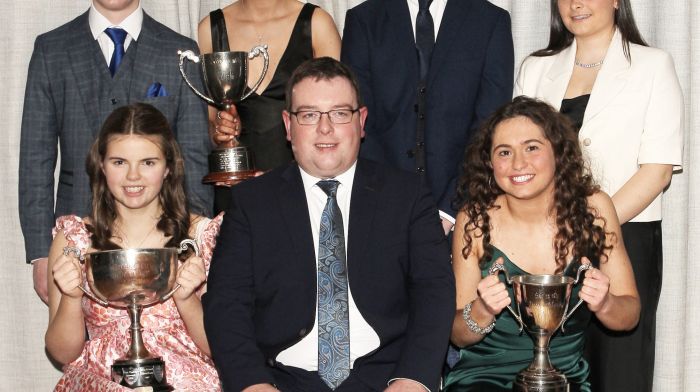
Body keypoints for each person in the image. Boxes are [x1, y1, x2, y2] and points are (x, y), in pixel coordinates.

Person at [203, 57, 455, 392]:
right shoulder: (252, 202)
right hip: (282, 380)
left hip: (387, 378)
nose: (325, 128)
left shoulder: (407, 196)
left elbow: (434, 293)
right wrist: (253, 385)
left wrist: (413, 379)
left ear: (361, 121)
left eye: (340, 113)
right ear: (288, 125)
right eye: (308, 115)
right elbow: (226, 305)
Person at [514, 1, 683, 390]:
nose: (576, 4)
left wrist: (593, 227)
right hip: (544, 243)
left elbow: (657, 170)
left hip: (625, 236)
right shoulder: (536, 68)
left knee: (619, 370)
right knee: (549, 368)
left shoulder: (653, 64)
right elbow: (517, 156)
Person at [20, 0, 212, 305]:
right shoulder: (51, 49)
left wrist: (195, 244)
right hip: (76, 249)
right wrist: (41, 253)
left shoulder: (180, 51)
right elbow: (35, 159)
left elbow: (194, 154)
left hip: (164, 244)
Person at [443, 96, 640, 392]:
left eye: (532, 148)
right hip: (483, 379)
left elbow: (630, 314)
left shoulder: (595, 209)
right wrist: (483, 309)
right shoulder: (473, 220)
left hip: (565, 380)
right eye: (504, 152)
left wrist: (605, 303)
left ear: (558, 152)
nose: (518, 163)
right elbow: (457, 335)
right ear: (490, 163)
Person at [46, 103, 221, 391]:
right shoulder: (74, 240)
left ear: (168, 167)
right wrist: (70, 296)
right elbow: (63, 353)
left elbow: (222, 346)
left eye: (148, 162)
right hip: (101, 382)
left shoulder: (201, 236)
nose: (133, 177)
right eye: (119, 162)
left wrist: (187, 298)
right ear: (101, 165)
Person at [341, 0, 514, 234]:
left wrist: (451, 209)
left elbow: (490, 126)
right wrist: (389, 206)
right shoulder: (363, 20)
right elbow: (358, 123)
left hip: (465, 216)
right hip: (380, 213)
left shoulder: (491, 21)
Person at [197, 0, 341, 213]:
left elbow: (337, 119)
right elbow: (204, 121)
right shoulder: (210, 28)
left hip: (303, 188)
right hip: (235, 191)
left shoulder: (317, 23)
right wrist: (220, 129)